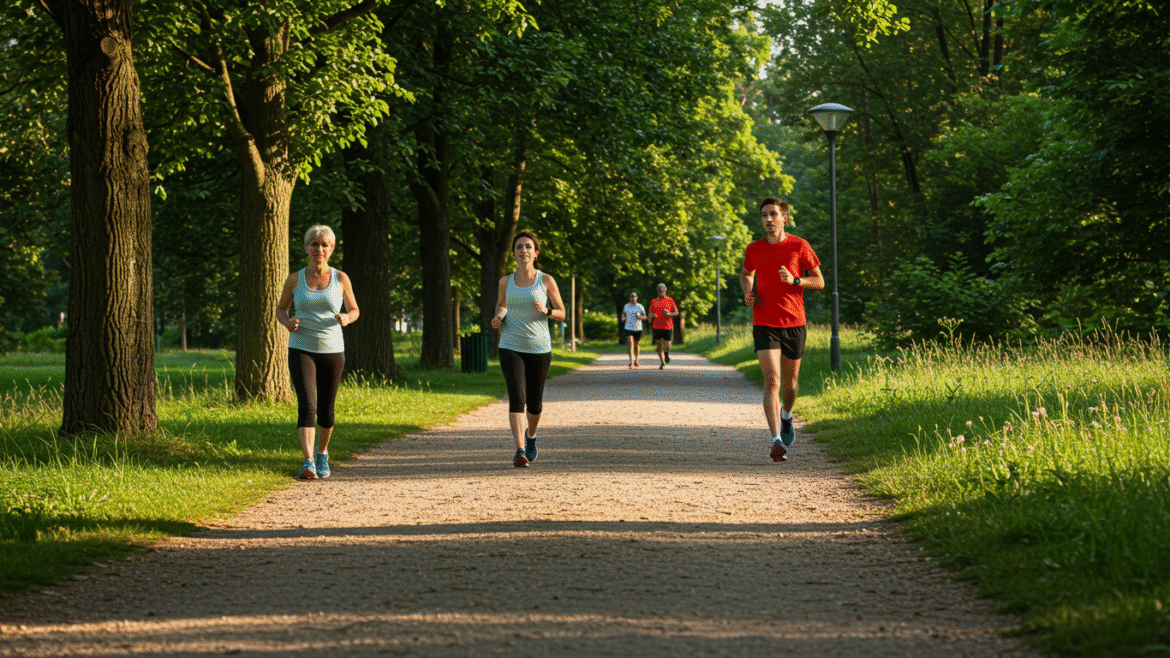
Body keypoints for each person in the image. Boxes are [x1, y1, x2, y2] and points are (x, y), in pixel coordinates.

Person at [740, 197, 824, 462]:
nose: (768, 220)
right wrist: (747, 292)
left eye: (773, 214)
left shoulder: (799, 245)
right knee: (772, 380)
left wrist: (796, 279)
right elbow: (746, 274)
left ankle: (787, 415)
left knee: (790, 384)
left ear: (784, 217)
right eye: (764, 215)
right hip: (764, 320)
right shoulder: (754, 248)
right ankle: (776, 440)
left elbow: (820, 282)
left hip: (794, 322)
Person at [276, 224, 360, 479]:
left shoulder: (341, 278)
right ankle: (308, 461)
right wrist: (287, 322)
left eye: (324, 245)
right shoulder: (295, 278)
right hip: (301, 347)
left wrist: (347, 317)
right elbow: (281, 309)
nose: (319, 249)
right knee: (307, 405)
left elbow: (355, 309)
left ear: (331, 249)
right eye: (314, 244)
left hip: (333, 348)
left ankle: (322, 453)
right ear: (306, 248)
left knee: (326, 408)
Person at [491, 230, 566, 468]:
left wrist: (547, 312)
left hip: (539, 347)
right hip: (510, 345)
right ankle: (519, 450)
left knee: (534, 404)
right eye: (519, 247)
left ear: (535, 253)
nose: (523, 250)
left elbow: (562, 312)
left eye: (527, 247)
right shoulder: (505, 281)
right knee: (517, 399)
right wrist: (498, 317)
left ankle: (531, 438)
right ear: (514, 253)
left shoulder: (546, 280)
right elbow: (502, 305)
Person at [647, 283, 678, 369]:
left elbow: (676, 312)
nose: (661, 292)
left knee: (668, 345)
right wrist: (650, 317)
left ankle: (666, 354)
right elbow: (650, 313)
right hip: (656, 326)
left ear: (665, 290)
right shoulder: (654, 301)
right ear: (657, 291)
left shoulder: (670, 300)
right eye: (659, 290)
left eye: (662, 290)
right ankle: (662, 362)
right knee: (659, 344)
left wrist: (669, 314)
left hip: (668, 326)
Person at [621, 291, 646, 369]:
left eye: (634, 296)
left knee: (637, 344)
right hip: (628, 327)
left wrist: (640, 317)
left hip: (638, 328)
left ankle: (636, 360)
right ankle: (631, 361)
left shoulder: (640, 306)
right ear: (629, 298)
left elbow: (645, 317)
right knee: (630, 344)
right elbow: (623, 314)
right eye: (631, 297)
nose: (633, 298)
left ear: (637, 297)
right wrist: (622, 317)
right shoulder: (626, 306)